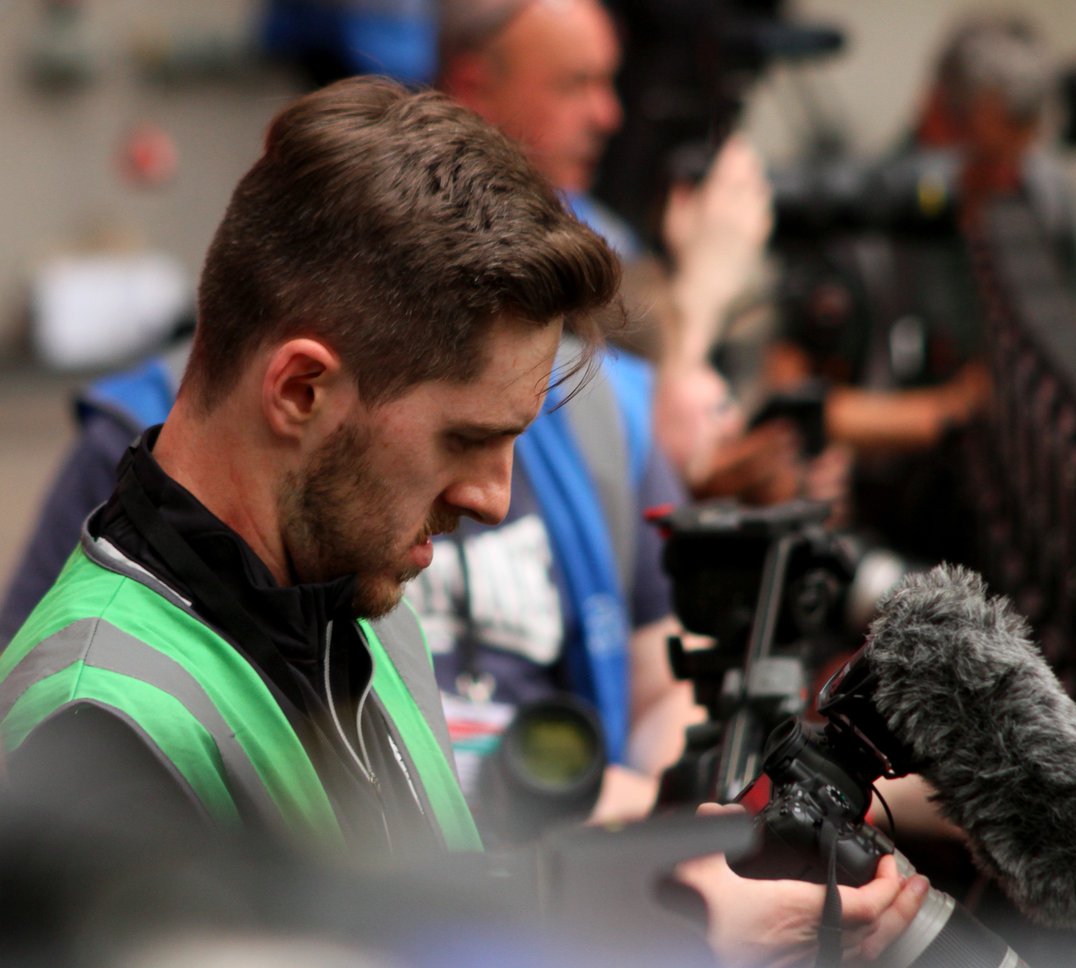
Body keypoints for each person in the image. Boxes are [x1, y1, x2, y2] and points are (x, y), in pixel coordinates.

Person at [0, 77, 926, 964]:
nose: (490, 497)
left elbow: (401, 903)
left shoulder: (350, 592)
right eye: (465, 439)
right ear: (300, 388)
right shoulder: (97, 723)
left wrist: (660, 875)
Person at [437, 0, 834, 508]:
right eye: (574, 84)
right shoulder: (437, 248)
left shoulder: (602, 227)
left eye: (609, 82)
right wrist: (704, 288)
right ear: (474, 86)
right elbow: (643, 429)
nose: (609, 115)